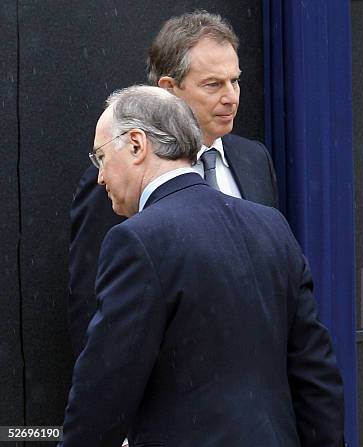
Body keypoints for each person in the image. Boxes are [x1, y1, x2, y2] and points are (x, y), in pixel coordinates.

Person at [59, 85, 344, 447]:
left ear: (136, 144)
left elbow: (104, 391)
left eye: (101, 157)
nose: (100, 177)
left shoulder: (137, 240)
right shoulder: (271, 225)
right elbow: (314, 372)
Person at [68, 10, 278, 356]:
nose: (232, 97)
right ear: (169, 89)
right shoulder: (120, 175)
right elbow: (94, 310)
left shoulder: (255, 160)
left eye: (235, 81)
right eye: (213, 84)